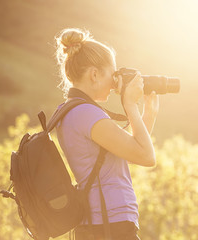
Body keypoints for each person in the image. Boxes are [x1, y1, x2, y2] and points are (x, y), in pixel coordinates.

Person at [54, 28, 159, 240]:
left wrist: (148, 115)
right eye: (112, 75)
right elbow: (147, 157)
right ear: (94, 74)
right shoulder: (86, 113)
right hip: (110, 225)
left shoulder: (71, 111)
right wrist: (130, 104)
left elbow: (122, 155)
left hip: (101, 224)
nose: (114, 84)